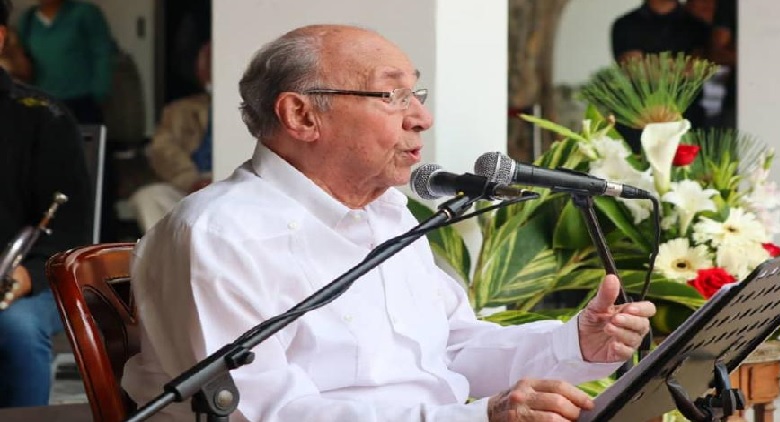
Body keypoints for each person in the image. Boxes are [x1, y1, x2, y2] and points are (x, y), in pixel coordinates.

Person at [121, 25, 656, 421]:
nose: (420, 116)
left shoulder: (386, 216)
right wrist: (477, 418)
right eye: (390, 94)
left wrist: (577, 345)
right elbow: (263, 413)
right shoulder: (221, 234)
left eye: (415, 94)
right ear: (302, 116)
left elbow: (452, 349)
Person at [0, 0, 92, 408]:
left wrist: (21, 278)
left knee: (14, 327)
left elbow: (71, 232)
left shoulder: (44, 117)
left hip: (27, 280)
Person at [130, 41, 212, 232]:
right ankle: (168, 259)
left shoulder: (255, 109)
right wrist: (192, 180)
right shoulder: (179, 110)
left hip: (233, 187)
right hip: (191, 184)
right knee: (148, 197)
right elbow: (161, 149)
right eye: (207, 65)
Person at [609, 0, 712, 150]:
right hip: (636, 120)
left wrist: (651, 63)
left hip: (687, 119)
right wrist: (679, 66)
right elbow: (635, 71)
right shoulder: (626, 24)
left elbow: (698, 70)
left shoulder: (696, 26)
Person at [17, 0, 113, 124]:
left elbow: (103, 52)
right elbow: (22, 58)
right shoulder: (28, 19)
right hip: (44, 103)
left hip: (82, 101)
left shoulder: (85, 12)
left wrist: (100, 92)